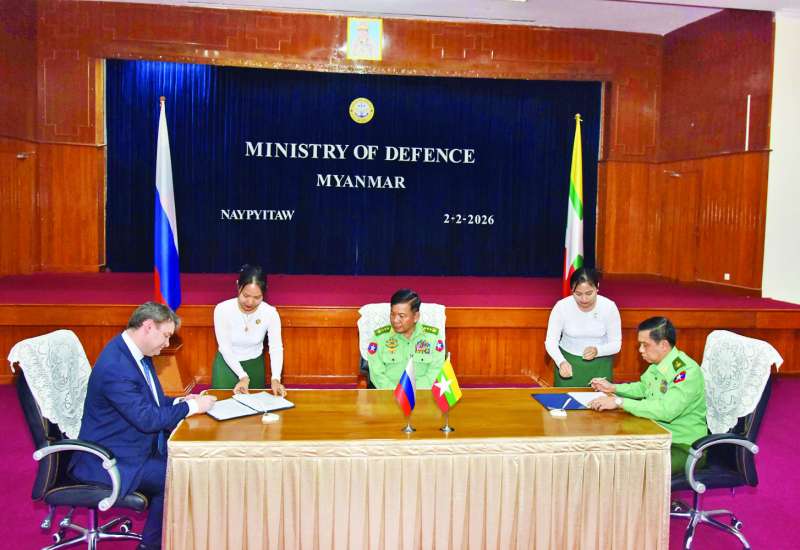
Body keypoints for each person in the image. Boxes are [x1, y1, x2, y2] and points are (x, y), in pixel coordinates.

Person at [70, 302, 217, 550]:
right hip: (110, 459)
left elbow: (149, 402)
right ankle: (151, 546)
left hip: (131, 446)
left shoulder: (134, 353)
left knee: (191, 460)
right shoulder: (117, 366)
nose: (167, 344)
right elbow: (147, 420)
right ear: (148, 326)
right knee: (177, 475)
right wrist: (192, 407)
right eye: (166, 335)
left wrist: (180, 401)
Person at [589, 316, 708, 474]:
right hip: (656, 433)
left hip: (683, 446)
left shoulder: (686, 372)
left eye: (645, 345)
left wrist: (619, 402)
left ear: (663, 345)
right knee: (613, 452)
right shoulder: (657, 364)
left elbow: (666, 411)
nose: (640, 350)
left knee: (633, 467)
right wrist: (613, 388)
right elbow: (644, 388)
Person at [212, 264, 286, 396]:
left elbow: (276, 348)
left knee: (256, 407)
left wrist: (276, 378)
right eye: (246, 295)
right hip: (227, 365)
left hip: (255, 366)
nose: (250, 302)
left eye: (257, 297)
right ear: (238, 286)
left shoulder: (270, 313)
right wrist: (243, 376)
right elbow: (225, 348)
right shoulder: (222, 309)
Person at [545, 267, 622, 387]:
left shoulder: (609, 307)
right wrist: (561, 362)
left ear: (597, 287)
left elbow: (616, 344)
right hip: (568, 362)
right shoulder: (562, 307)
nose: (584, 299)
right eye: (578, 294)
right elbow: (550, 341)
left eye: (589, 293)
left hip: (600, 364)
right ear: (572, 290)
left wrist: (598, 351)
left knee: (599, 398)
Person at [366, 289, 445, 389]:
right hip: (388, 395)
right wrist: (398, 393)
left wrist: (411, 393)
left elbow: (435, 372)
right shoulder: (379, 338)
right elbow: (377, 375)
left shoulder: (433, 338)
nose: (395, 320)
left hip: (422, 394)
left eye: (401, 316)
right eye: (392, 314)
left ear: (416, 316)